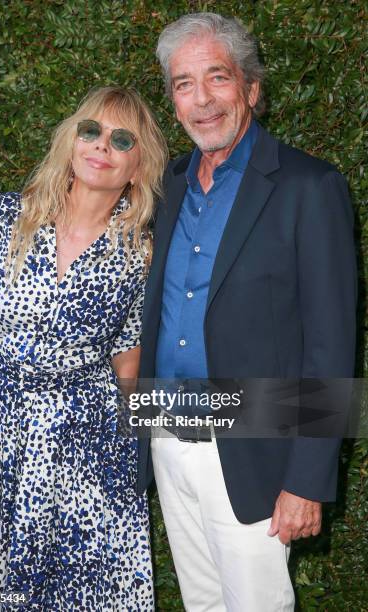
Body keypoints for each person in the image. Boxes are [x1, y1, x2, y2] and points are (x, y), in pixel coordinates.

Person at [137, 13, 357, 612]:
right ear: (173, 100)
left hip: (254, 447)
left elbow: (330, 344)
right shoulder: (169, 185)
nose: (202, 99)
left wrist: (307, 479)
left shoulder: (309, 187)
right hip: (166, 436)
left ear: (251, 89)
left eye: (217, 78)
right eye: (184, 83)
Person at [0, 86, 167, 609]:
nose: (101, 146)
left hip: (85, 432)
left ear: (138, 166)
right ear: (70, 141)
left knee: (80, 580)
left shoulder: (141, 249)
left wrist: (132, 444)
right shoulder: (10, 214)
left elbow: (129, 350)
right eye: (90, 130)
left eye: (122, 140)